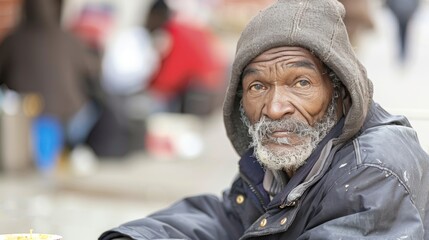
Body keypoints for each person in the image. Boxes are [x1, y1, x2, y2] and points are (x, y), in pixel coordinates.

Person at [99, 0, 429, 239]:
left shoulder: (372, 171)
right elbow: (228, 219)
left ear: (340, 91)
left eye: (301, 83)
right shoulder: (282, 161)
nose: (274, 108)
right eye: (258, 86)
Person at [0, 0, 101, 150]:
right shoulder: (70, 39)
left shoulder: (12, 40)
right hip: (69, 123)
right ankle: (68, 148)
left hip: (23, 125)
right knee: (96, 106)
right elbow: (93, 70)